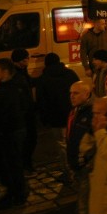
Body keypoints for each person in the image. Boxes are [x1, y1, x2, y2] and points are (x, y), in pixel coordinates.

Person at [52, 80, 96, 214]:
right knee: (88, 207)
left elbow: (102, 142)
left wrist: (89, 162)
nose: (72, 96)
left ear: (87, 94)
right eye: (71, 93)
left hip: (88, 170)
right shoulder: (76, 111)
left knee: (82, 210)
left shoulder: (94, 114)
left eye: (76, 93)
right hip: (78, 168)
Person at [0, 58, 29, 209]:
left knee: (11, 163)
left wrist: (0, 127)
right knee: (0, 160)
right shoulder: (5, 86)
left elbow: (13, 111)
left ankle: (17, 192)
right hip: (6, 132)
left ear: (4, 72)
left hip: (10, 132)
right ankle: (14, 190)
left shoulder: (11, 89)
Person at [34, 52, 79, 183]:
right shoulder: (71, 74)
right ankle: (77, 167)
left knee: (62, 144)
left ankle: (68, 171)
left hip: (56, 119)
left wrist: (44, 119)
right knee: (74, 141)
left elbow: (41, 101)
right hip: (73, 115)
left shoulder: (43, 79)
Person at [11, 48, 38, 173]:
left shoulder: (22, 71)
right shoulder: (16, 75)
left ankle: (25, 163)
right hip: (24, 113)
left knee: (30, 139)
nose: (28, 60)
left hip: (28, 111)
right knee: (28, 139)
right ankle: (25, 164)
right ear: (19, 60)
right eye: (26, 58)